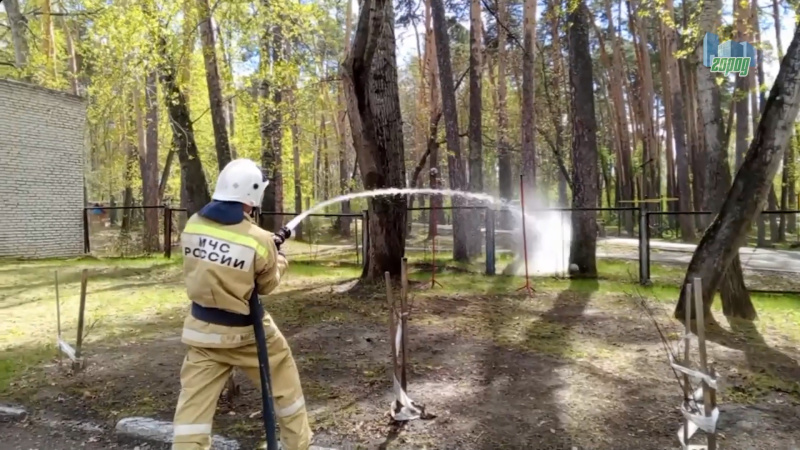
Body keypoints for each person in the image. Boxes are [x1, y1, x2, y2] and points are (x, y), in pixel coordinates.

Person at [171, 158, 311, 450]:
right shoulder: (259, 241)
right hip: (247, 335)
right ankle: (297, 445)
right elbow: (267, 285)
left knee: (191, 413)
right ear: (253, 194)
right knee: (286, 389)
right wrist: (280, 259)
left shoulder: (193, 225)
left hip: (201, 333)